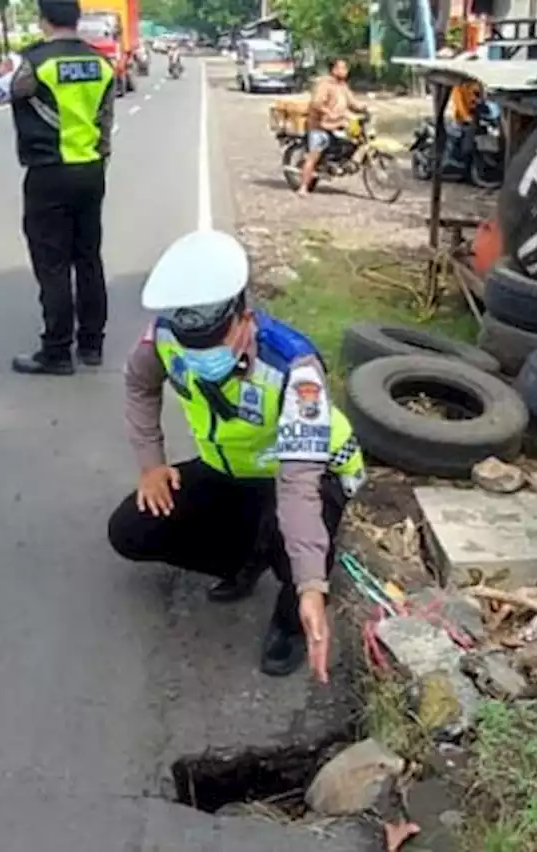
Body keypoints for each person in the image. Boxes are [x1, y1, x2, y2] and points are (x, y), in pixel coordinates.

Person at [107, 230, 366, 681]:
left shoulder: (293, 369)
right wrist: (151, 463)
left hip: (308, 473)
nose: (200, 358)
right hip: (231, 470)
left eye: (212, 347)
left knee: (300, 553)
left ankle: (291, 618)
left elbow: (298, 483)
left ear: (244, 318)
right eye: (192, 350)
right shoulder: (166, 336)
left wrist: (309, 585)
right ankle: (246, 558)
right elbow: (138, 384)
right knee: (131, 530)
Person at [0, 2, 115, 375]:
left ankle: (56, 351)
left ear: (43, 21)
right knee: (88, 258)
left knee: (52, 264)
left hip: (49, 174)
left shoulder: (33, 64)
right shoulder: (100, 63)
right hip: (90, 171)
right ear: (76, 19)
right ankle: (91, 345)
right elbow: (104, 122)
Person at [297, 57, 368, 197]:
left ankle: (341, 162)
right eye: (341, 68)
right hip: (320, 125)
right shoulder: (325, 84)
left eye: (346, 68)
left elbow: (353, 103)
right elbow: (316, 103)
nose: (344, 71)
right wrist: (327, 111)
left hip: (338, 124)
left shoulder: (343, 86)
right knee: (313, 156)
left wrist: (364, 107)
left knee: (355, 139)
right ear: (333, 70)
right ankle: (303, 187)